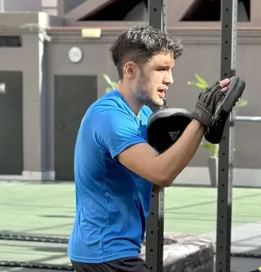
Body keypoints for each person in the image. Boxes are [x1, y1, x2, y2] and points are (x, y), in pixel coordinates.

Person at [67, 25, 233, 272]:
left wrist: (199, 131)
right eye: (161, 69)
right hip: (103, 253)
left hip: (112, 251)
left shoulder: (143, 116)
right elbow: (161, 173)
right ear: (131, 70)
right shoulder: (110, 117)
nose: (170, 79)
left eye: (170, 70)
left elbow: (153, 182)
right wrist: (201, 120)